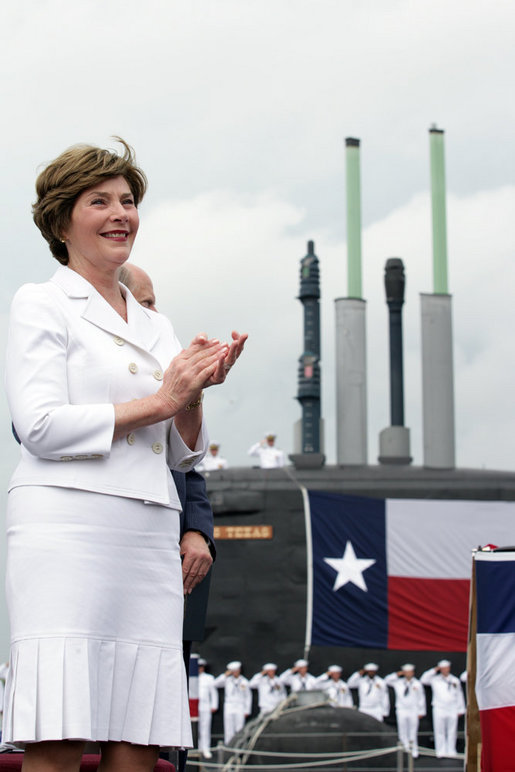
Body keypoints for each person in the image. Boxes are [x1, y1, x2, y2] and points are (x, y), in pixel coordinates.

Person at [4, 138, 247, 771]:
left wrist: (193, 394)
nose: (122, 213)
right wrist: (165, 398)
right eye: (100, 201)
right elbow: (39, 427)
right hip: (66, 529)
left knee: (139, 732)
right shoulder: (41, 303)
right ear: (61, 221)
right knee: (60, 727)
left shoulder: (153, 324)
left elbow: (181, 453)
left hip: (146, 533)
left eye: (129, 201)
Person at [118, 262, 216, 772]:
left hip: (173, 559)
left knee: (162, 704)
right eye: (149, 302)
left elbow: (191, 469)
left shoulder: (166, 365)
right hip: (117, 546)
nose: (157, 312)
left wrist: (198, 530)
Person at [421, 660, 465, 758]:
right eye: (443, 668)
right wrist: (434, 670)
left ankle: (451, 750)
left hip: (452, 707)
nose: (445, 670)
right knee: (439, 730)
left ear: (449, 668)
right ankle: (440, 750)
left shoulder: (454, 680)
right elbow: (423, 679)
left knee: (452, 730)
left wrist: (460, 709)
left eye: (446, 668)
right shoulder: (434, 679)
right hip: (439, 708)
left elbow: (459, 694)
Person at [385, 665, 426, 758]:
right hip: (401, 709)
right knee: (402, 730)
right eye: (406, 672)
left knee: (413, 730)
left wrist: (421, 712)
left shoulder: (417, 684)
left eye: (410, 672)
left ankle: (413, 750)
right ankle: (405, 749)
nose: (408, 674)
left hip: (413, 710)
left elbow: (421, 698)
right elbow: (387, 680)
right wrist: (397, 674)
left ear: (413, 673)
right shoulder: (398, 682)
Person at [214, 661, 252, 744]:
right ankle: (228, 745)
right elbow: (215, 683)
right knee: (228, 728)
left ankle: (239, 745)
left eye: (236, 670)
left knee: (239, 727)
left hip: (240, 705)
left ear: (239, 670)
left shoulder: (244, 681)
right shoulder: (227, 680)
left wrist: (247, 710)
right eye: (233, 671)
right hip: (229, 705)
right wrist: (225, 675)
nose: (235, 672)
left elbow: (248, 696)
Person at [197, 658, 219, 760]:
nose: (199, 669)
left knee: (205, 728)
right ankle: (196, 747)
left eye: (201, 667)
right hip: (193, 707)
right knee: (193, 729)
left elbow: (213, 692)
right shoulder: (190, 677)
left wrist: (214, 705)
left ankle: (205, 748)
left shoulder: (209, 678)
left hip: (205, 706)